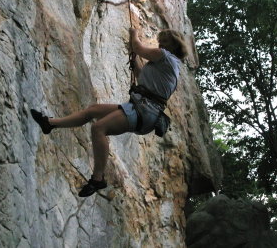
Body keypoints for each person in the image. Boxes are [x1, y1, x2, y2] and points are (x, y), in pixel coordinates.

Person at [31, 28, 188, 197]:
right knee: (93, 110)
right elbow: (143, 77)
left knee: (98, 128)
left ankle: (98, 178)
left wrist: (134, 34)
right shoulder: (168, 64)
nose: (161, 44)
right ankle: (50, 124)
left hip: (144, 110)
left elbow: (138, 47)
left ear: (174, 45)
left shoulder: (165, 56)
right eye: (161, 41)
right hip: (142, 108)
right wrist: (135, 63)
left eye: (165, 42)